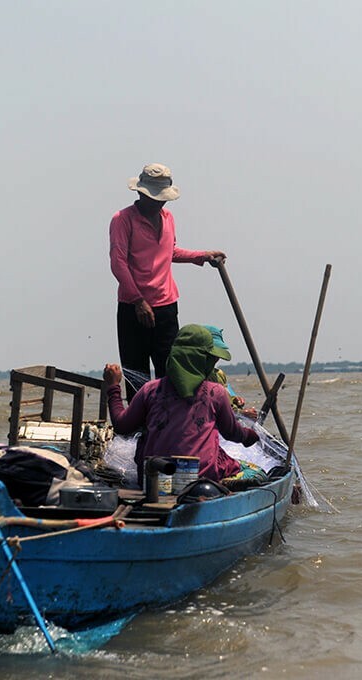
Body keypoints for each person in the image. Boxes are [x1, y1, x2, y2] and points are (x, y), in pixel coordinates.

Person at [109, 163, 225, 401]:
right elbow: (118, 263)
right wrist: (139, 301)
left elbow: (169, 252)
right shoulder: (123, 220)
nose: (160, 203)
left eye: (162, 199)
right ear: (141, 193)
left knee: (170, 372)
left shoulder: (168, 218)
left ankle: (168, 427)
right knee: (136, 375)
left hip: (166, 306)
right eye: (155, 198)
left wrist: (202, 256)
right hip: (134, 307)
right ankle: (140, 430)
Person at [103, 324, 259, 486]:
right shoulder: (216, 393)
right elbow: (232, 432)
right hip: (201, 478)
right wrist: (249, 436)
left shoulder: (150, 390)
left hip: (154, 480)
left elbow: (121, 425)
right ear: (201, 360)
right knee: (255, 473)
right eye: (211, 358)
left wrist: (113, 386)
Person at [203, 324, 259, 420]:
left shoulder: (219, 374)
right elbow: (213, 409)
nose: (216, 358)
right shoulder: (198, 377)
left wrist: (236, 400)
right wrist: (242, 413)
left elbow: (229, 396)